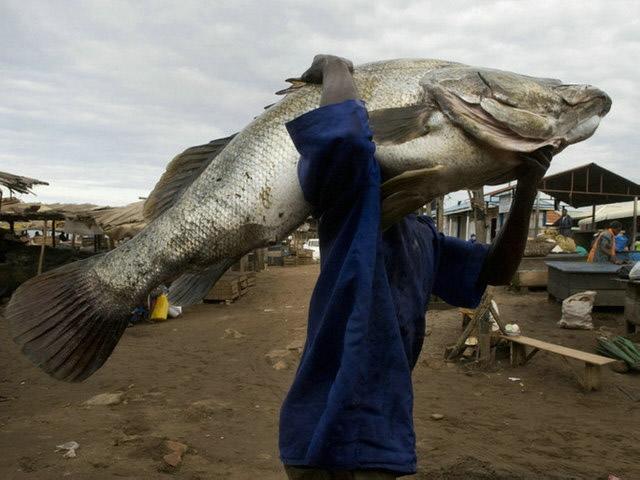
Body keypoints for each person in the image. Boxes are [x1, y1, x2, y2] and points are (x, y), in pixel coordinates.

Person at [280, 55, 551, 479]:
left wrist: (526, 190)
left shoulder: (424, 237)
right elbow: (346, 142)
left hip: (381, 429)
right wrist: (335, 67)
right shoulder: (351, 206)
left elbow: (495, 271)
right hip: (320, 422)